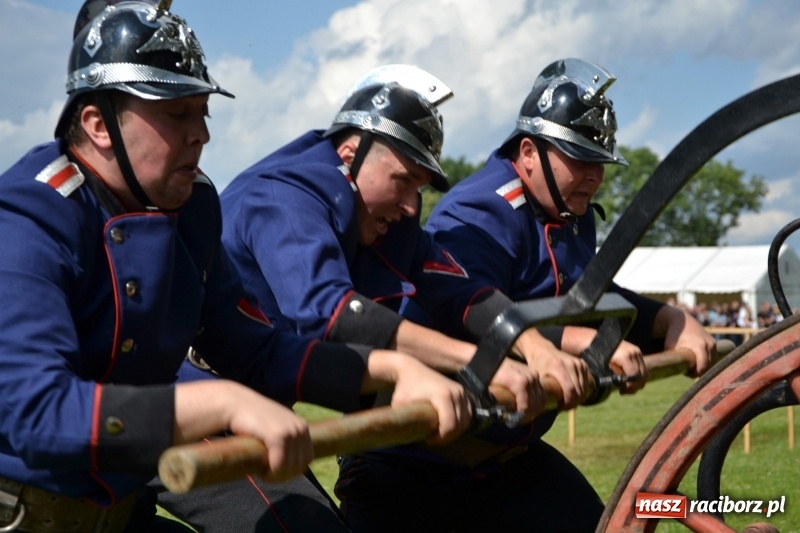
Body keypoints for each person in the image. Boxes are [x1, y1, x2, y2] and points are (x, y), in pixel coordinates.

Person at [0, 3, 473, 532]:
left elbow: (257, 350)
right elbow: (38, 414)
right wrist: (221, 402)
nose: (201, 133)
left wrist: (388, 371)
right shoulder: (29, 217)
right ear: (97, 125)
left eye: (202, 111)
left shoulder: (193, 210)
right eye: (176, 112)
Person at [218, 63, 651, 532]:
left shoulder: (375, 206)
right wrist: (484, 361)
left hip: (268, 405)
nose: (411, 206)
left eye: (418, 187)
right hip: (204, 400)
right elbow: (333, 313)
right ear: (350, 153)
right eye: (403, 180)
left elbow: (458, 289)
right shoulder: (286, 197)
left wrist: (532, 346)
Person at [407, 57, 719, 532]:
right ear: (528, 152)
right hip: (419, 470)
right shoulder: (479, 212)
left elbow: (585, 294)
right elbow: (465, 313)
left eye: (600, 162)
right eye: (579, 158)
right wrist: (576, 340)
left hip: (509, 458)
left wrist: (669, 320)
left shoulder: (570, 215)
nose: (594, 175)